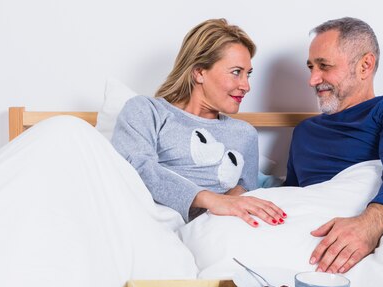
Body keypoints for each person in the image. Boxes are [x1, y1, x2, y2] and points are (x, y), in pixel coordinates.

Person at [284, 17, 383, 274]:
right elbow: (291, 198)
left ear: (365, 65)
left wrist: (369, 224)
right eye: (311, 67)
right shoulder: (304, 133)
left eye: (324, 66)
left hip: (377, 236)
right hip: (313, 246)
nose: (313, 79)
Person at [112, 18, 286, 228]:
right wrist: (210, 200)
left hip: (211, 231)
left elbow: (244, 192)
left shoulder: (244, 133)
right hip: (149, 221)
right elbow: (136, 167)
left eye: (247, 74)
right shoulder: (147, 110)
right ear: (199, 72)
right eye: (236, 72)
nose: (246, 86)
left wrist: (219, 211)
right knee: (70, 128)